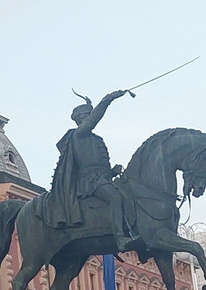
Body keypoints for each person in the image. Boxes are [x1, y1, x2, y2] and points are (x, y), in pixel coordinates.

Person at [38, 89, 138, 250]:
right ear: (80, 119)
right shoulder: (79, 134)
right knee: (115, 199)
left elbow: (100, 166)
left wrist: (112, 171)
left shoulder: (96, 139)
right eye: (87, 116)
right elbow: (95, 120)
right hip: (89, 181)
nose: (90, 119)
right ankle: (120, 238)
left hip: (102, 179)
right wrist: (108, 98)